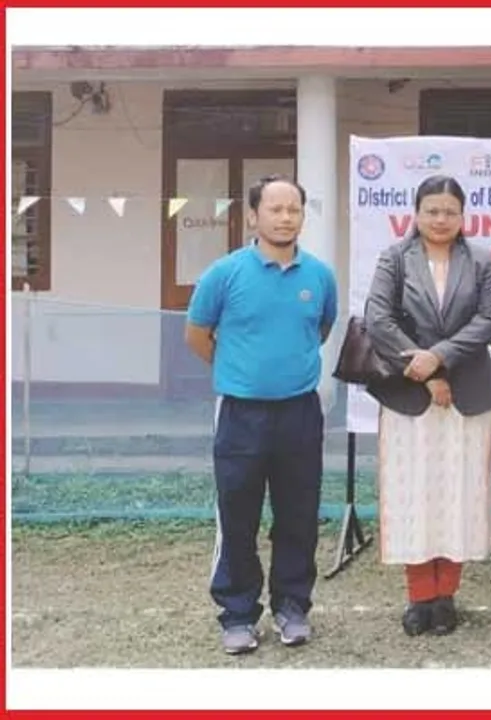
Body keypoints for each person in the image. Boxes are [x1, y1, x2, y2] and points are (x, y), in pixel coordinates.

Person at [185, 174, 338, 655]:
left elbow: (322, 328)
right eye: (275, 209)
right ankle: (237, 614)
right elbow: (197, 335)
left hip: (299, 413)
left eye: (294, 209)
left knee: (298, 514)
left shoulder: (318, 276)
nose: (286, 217)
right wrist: (241, 372)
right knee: (238, 516)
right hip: (240, 415)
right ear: (254, 215)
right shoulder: (224, 274)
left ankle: (293, 607)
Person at [363, 175, 491, 637]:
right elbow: (378, 319)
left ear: (463, 216)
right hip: (409, 395)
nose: (440, 220)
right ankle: (419, 596)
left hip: (469, 395)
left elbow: (487, 321)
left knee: (458, 494)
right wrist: (426, 372)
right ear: (415, 214)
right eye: (432, 211)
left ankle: (446, 597)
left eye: (450, 212)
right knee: (413, 493)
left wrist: (440, 357)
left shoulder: (480, 260)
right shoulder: (394, 259)